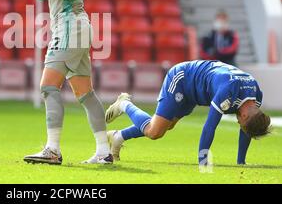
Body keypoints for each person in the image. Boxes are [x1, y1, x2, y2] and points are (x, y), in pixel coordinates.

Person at [12, 0, 113, 164]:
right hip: (73, 26)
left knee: (48, 87)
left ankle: (53, 150)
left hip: (70, 26)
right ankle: (104, 152)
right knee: (86, 94)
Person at [105, 60, 271, 165]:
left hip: (195, 92)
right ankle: (124, 104)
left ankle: (117, 136)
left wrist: (241, 162)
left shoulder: (256, 96)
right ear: (243, 116)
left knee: (166, 126)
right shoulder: (228, 91)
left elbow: (247, 130)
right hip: (182, 79)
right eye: (241, 124)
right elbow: (209, 127)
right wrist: (203, 162)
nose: (238, 124)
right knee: (154, 132)